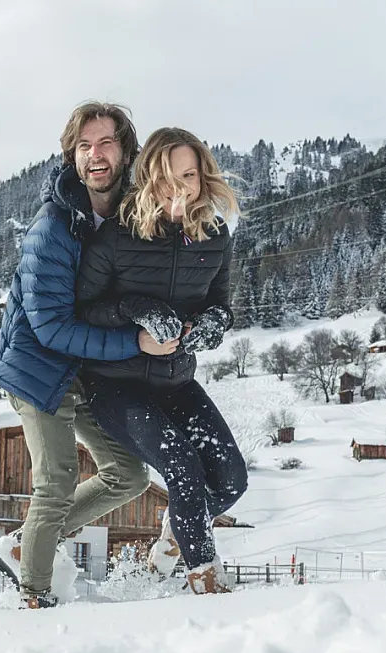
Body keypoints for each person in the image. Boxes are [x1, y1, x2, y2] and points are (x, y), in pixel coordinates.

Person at [0, 102, 176, 609]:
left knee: (130, 475)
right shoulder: (52, 229)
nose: (96, 155)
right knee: (57, 480)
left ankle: (27, 544)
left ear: (125, 150)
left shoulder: (128, 215)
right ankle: (34, 596)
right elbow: (49, 327)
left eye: (106, 143)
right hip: (34, 368)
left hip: (80, 370)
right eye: (84, 146)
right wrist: (135, 343)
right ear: (71, 155)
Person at [76, 126, 249, 594]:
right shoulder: (117, 235)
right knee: (182, 465)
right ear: (149, 176)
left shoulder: (214, 235)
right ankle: (205, 580)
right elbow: (84, 309)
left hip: (175, 381)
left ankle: (177, 532)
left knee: (232, 479)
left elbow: (221, 304)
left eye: (189, 175)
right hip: (116, 384)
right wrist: (136, 310)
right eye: (168, 177)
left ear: (203, 176)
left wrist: (214, 323)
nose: (179, 187)